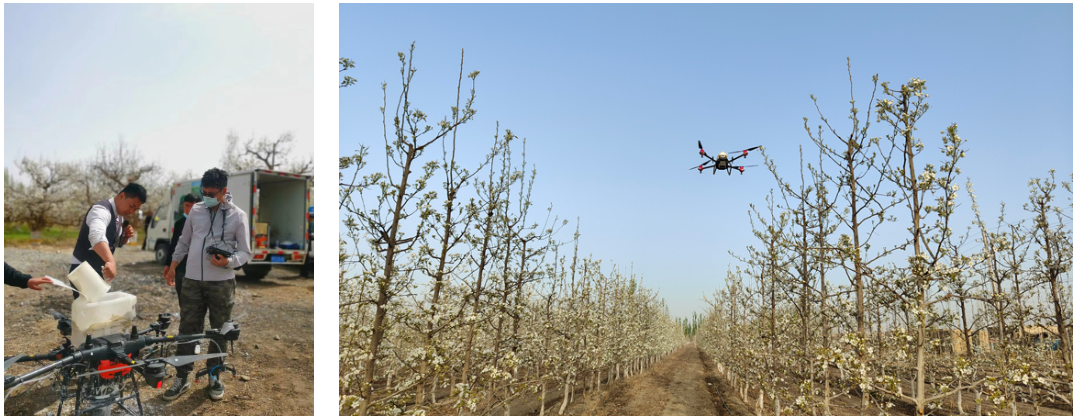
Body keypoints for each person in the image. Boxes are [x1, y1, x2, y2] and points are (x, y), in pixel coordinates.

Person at [163, 168, 251, 402]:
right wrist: (173, 265)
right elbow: (184, 241)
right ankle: (182, 378)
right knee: (187, 331)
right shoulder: (196, 211)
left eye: (212, 193)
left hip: (221, 284)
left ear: (223, 191)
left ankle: (214, 376)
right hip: (191, 281)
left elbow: (245, 252)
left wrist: (229, 261)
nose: (207, 197)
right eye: (204, 192)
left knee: (218, 333)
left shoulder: (238, 216)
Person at [68, 183, 145, 298]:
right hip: (83, 269)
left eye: (135, 209)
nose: (131, 211)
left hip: (97, 270)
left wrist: (125, 237)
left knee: (98, 309)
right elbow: (96, 236)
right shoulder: (101, 210)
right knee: (90, 311)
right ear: (122, 196)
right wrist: (111, 260)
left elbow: (114, 243)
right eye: (131, 206)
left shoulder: (119, 216)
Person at [163, 193, 198, 304]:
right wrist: (169, 265)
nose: (189, 209)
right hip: (181, 267)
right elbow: (174, 245)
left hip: (197, 269)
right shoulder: (179, 223)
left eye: (193, 206)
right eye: (187, 205)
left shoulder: (203, 224)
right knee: (183, 300)